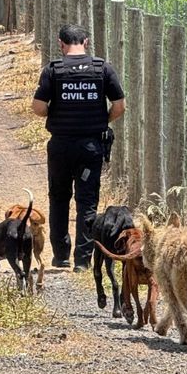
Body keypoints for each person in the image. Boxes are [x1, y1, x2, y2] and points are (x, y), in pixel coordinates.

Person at [31, 23, 126, 271]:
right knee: (87, 201)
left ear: (61, 44)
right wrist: (101, 120)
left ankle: (61, 255)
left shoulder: (53, 70)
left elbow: (38, 107)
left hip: (60, 146)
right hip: (90, 147)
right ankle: (82, 260)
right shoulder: (102, 68)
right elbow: (119, 105)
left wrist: (58, 113)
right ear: (86, 43)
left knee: (59, 198)